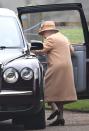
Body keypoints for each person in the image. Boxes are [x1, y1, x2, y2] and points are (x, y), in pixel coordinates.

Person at [34, 21, 77, 126]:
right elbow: (72, 51)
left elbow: (42, 49)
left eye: (43, 33)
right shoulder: (64, 37)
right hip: (67, 67)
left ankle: (54, 108)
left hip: (56, 66)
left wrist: (31, 51)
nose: (43, 36)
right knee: (60, 92)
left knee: (45, 86)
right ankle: (60, 118)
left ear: (47, 31)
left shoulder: (51, 38)